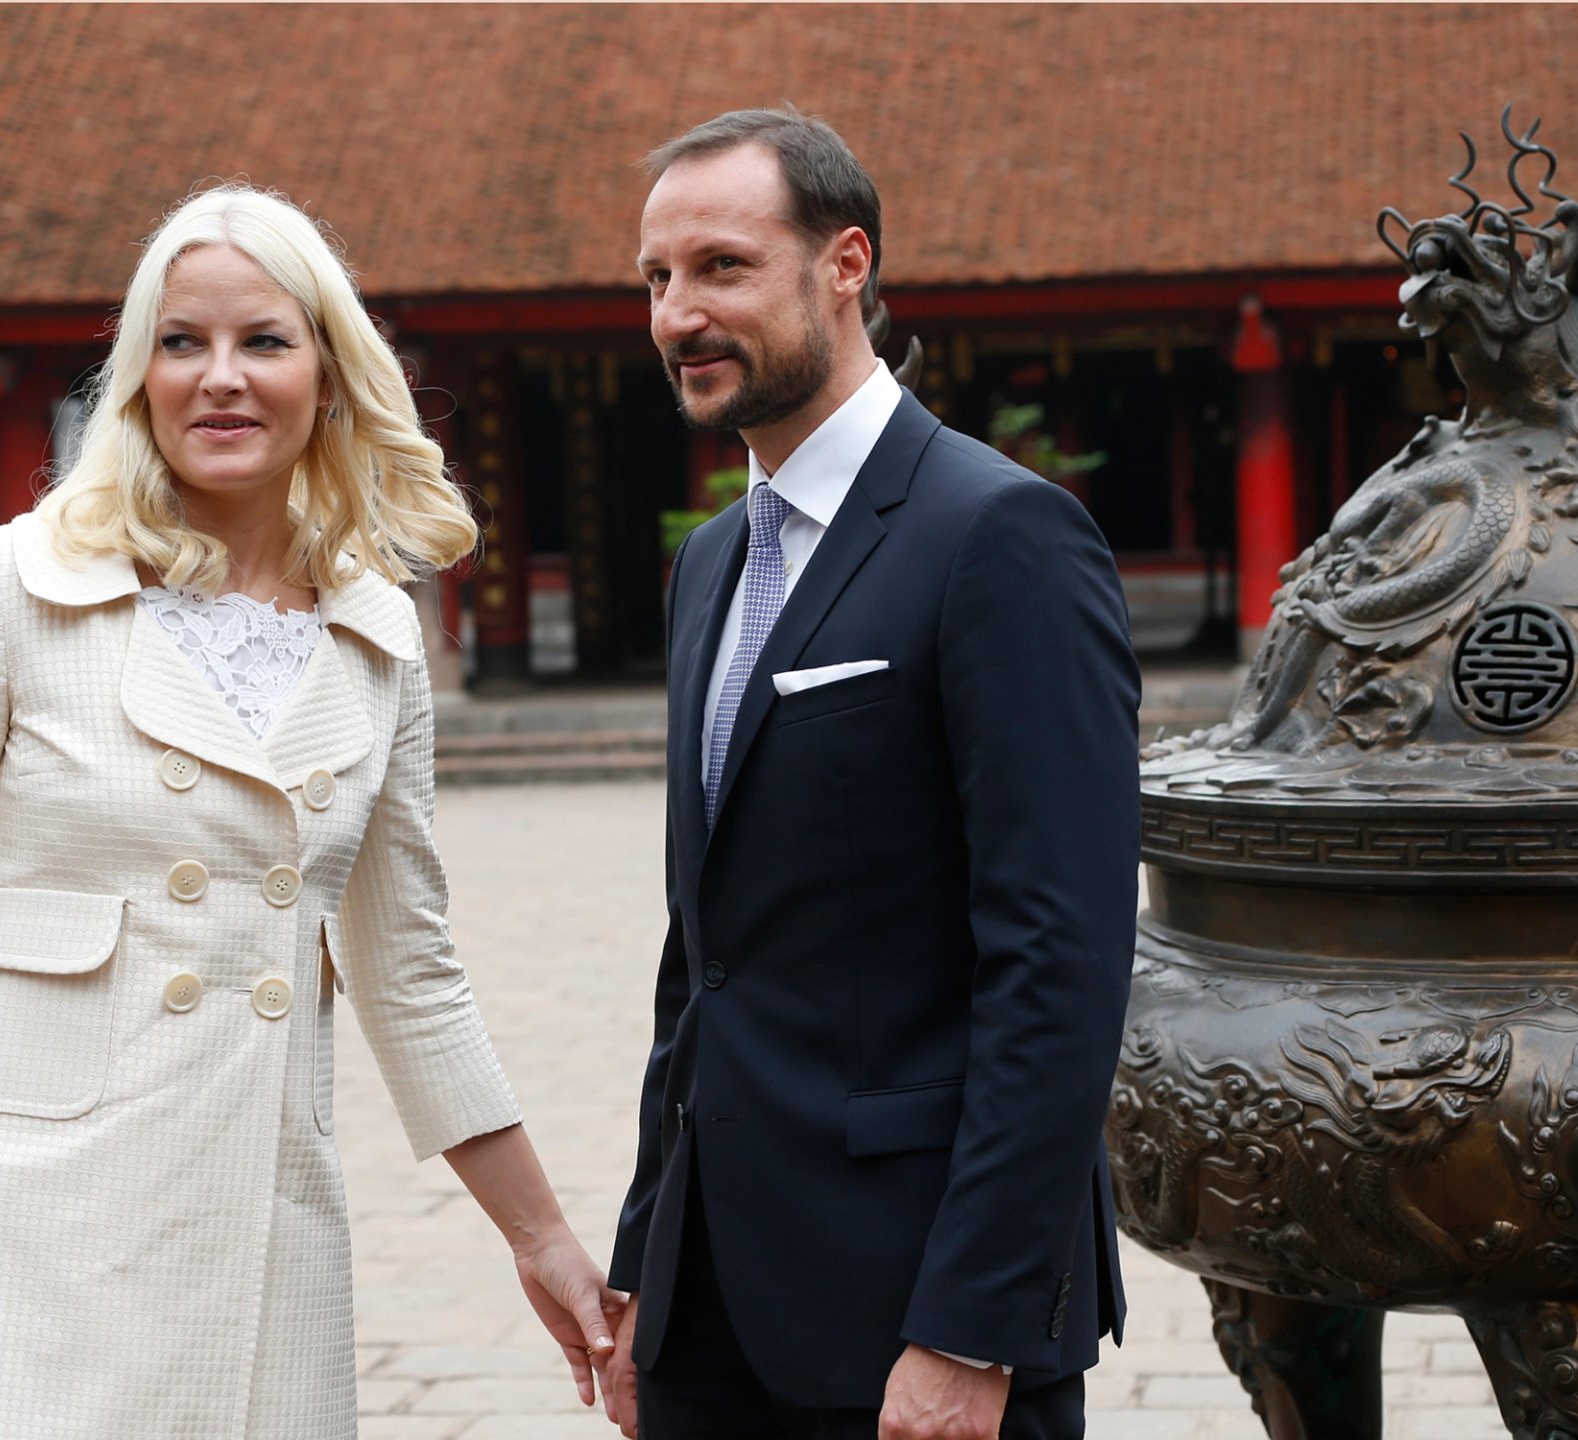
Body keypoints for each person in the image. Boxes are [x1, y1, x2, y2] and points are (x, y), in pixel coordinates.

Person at [0, 184, 620, 1439]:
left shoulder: (378, 637)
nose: (220, 377)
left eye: (263, 341)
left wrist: (541, 1239)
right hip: (9, 1233)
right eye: (183, 342)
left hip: (255, 1226)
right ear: (139, 376)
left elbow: (411, 972)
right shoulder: (5, 587)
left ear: (327, 378)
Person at [600, 109, 1140, 1440]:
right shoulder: (710, 564)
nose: (677, 315)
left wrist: (973, 1324)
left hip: (917, 1308)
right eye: (657, 278)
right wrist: (645, 1261)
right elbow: (702, 960)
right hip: (707, 1307)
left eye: (722, 267)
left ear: (846, 264)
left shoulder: (1002, 535)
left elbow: (1061, 963)